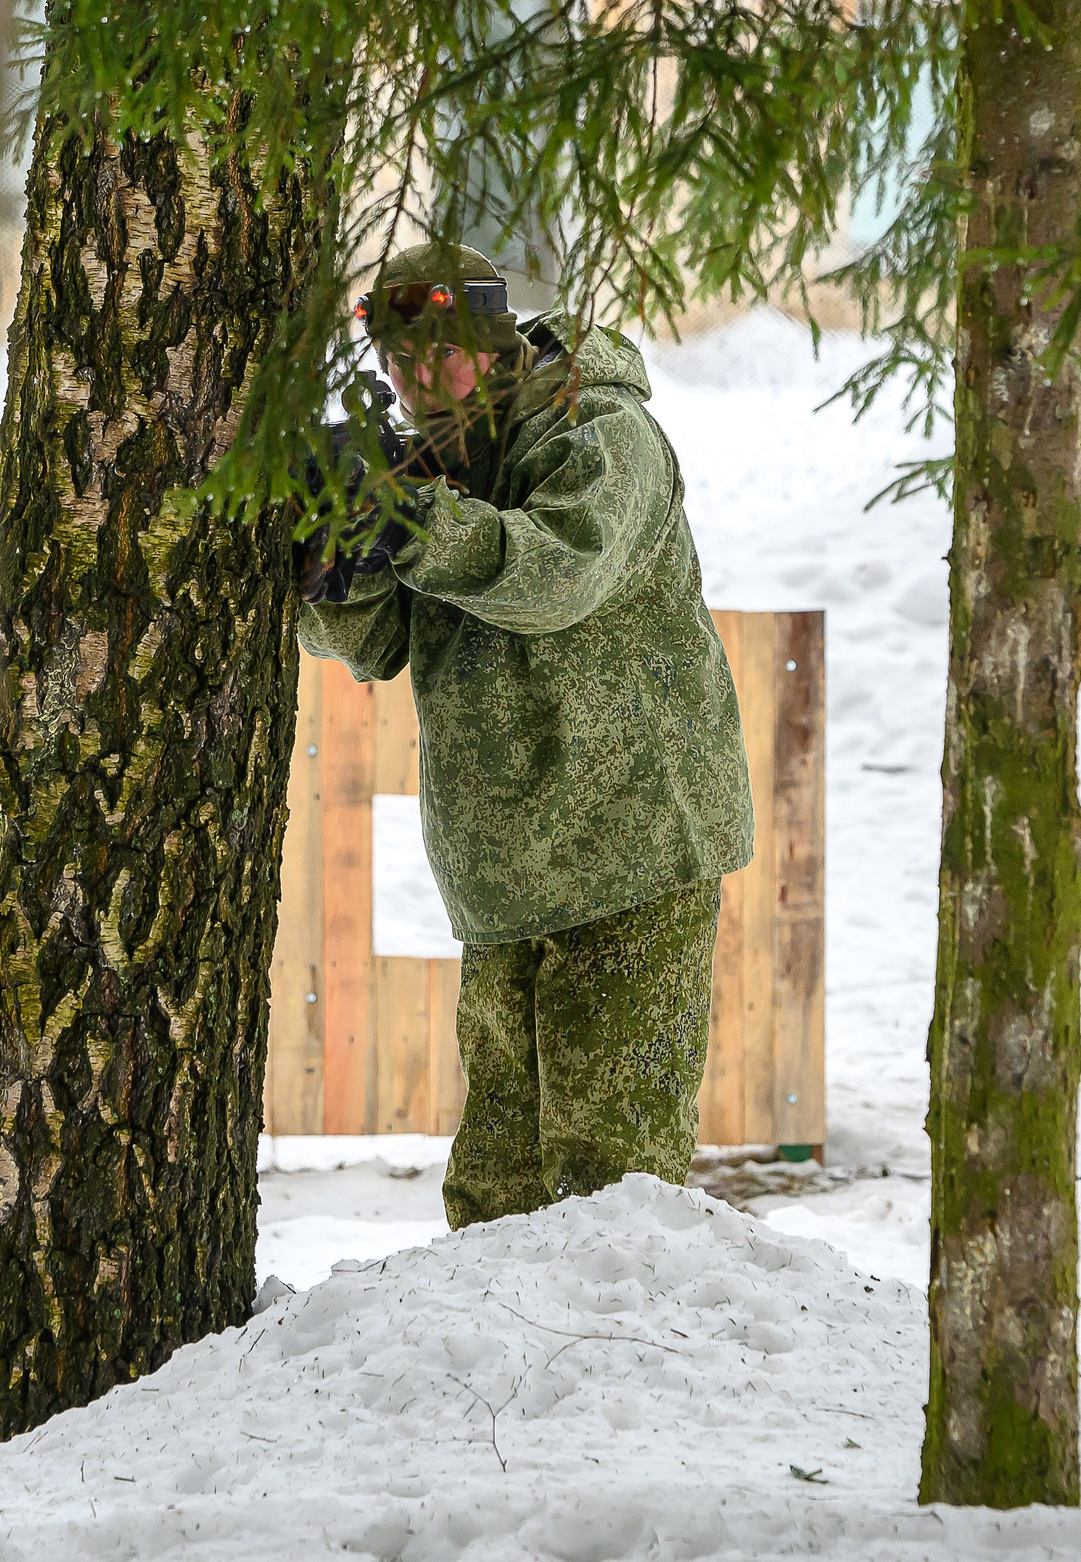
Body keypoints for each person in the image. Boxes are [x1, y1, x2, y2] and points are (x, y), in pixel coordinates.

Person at [298, 241, 753, 1229]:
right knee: (496, 1189)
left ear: (497, 342)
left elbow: (558, 575)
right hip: (508, 871)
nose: (418, 383)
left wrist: (408, 521)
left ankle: (624, 1335)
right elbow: (373, 643)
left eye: (443, 355)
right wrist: (336, 560)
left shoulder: (600, 431)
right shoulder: (434, 460)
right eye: (398, 362)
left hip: (633, 849)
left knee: (613, 1183)